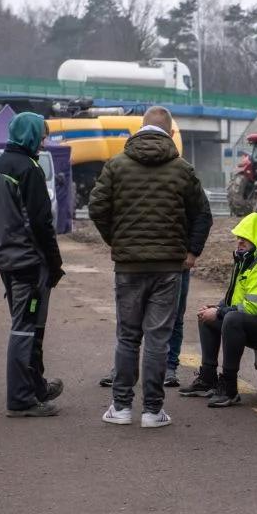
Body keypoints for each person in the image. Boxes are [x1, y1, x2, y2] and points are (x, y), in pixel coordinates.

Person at [89, 106, 211, 429]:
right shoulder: (183, 170)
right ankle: (153, 411)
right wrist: (191, 251)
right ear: (171, 134)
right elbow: (203, 214)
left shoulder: (116, 166)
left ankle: (121, 407)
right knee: (158, 338)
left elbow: (97, 207)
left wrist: (113, 239)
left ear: (139, 129)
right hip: (169, 267)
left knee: (128, 336)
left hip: (128, 266)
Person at [0, 112, 65, 418]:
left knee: (31, 326)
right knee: (25, 329)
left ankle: (36, 385)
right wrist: (55, 261)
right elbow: (41, 223)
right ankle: (21, 399)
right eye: (42, 136)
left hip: (6, 258)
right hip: (29, 262)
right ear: (31, 135)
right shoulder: (28, 169)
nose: (44, 142)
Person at [180, 212, 257, 407]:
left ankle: (229, 387)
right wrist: (217, 308)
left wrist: (220, 312)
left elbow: (254, 307)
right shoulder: (246, 259)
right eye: (239, 237)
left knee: (231, 319)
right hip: (255, 323)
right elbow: (235, 299)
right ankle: (207, 379)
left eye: (246, 238)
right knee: (206, 316)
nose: (240, 242)